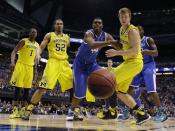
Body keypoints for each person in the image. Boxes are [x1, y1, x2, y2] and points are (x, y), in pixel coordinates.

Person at [105, 8, 150, 125]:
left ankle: (112, 111)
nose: (123, 19)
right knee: (120, 92)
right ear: (119, 18)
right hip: (128, 62)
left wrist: (116, 53)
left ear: (130, 17)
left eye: (126, 17)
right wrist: (113, 44)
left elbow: (135, 51)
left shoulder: (133, 31)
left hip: (135, 63)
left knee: (109, 80)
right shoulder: (121, 29)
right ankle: (142, 114)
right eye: (121, 17)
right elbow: (123, 47)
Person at [22, 19, 73, 120]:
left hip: (64, 64)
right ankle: (28, 110)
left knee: (73, 88)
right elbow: (41, 47)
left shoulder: (67, 37)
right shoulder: (49, 35)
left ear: (63, 26)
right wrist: (37, 54)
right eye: (57, 24)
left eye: (61, 24)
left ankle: (73, 111)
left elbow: (66, 49)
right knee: (42, 88)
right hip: (52, 63)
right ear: (55, 25)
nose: (59, 25)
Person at [66, 17, 115, 121]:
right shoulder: (89, 33)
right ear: (92, 25)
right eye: (95, 23)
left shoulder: (106, 36)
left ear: (102, 25)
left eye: (99, 23)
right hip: (79, 65)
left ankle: (109, 109)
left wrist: (124, 49)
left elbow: (118, 45)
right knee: (80, 93)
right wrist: (109, 43)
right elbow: (92, 45)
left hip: (92, 64)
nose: (97, 24)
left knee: (107, 80)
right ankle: (71, 110)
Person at [129, 26, 167, 122]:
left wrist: (146, 51)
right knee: (129, 89)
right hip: (138, 66)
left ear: (142, 31)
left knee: (151, 91)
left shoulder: (148, 40)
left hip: (148, 66)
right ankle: (127, 110)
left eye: (139, 30)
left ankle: (161, 112)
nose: (137, 32)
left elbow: (156, 52)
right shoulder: (132, 42)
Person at [9, 28, 39, 118]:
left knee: (27, 90)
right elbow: (14, 51)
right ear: (29, 33)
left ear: (37, 34)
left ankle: (22, 110)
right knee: (18, 89)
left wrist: (36, 69)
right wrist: (12, 62)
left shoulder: (37, 45)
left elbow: (35, 59)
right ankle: (14, 110)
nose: (34, 33)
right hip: (21, 65)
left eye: (35, 32)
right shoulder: (23, 41)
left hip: (30, 67)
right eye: (32, 32)